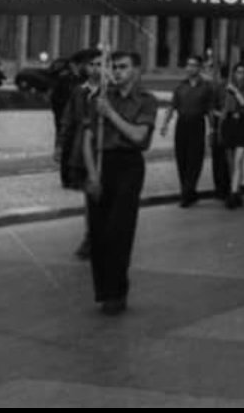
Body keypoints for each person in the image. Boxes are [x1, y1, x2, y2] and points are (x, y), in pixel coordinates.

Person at [81, 50, 159, 316]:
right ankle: (103, 291)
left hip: (128, 165)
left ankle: (117, 292)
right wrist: (92, 175)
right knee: (98, 231)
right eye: (114, 67)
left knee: (119, 231)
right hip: (102, 165)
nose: (117, 72)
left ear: (137, 70)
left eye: (123, 67)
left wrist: (111, 114)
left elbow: (139, 136)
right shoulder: (100, 98)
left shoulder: (146, 101)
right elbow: (87, 140)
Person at [54, 48, 97, 259]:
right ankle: (90, 237)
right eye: (92, 65)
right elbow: (68, 120)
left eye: (100, 64)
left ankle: (102, 236)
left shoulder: (111, 93)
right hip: (81, 150)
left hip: (105, 151)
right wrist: (60, 146)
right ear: (86, 68)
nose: (95, 68)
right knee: (90, 196)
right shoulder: (80, 92)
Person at [161, 55, 214, 207]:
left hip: (197, 125)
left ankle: (187, 193)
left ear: (200, 68)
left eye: (194, 65)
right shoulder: (180, 86)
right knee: (182, 159)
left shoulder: (206, 87)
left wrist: (212, 129)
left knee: (195, 159)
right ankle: (188, 191)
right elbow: (172, 106)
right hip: (182, 125)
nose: (191, 68)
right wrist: (165, 124)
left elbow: (210, 110)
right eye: (188, 65)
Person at [219, 60, 244, 209]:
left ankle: (233, 194)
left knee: (238, 161)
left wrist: (236, 91)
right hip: (230, 124)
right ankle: (236, 190)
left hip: (243, 124)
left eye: (243, 72)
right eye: (238, 72)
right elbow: (225, 109)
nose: (240, 75)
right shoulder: (227, 88)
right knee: (231, 163)